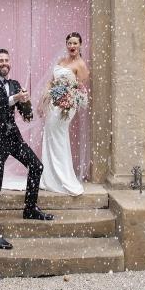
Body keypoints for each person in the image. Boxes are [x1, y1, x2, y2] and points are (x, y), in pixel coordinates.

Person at [0, 48, 54, 250]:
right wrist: (14, 99)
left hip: (13, 137)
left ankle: (30, 209)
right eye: (0, 61)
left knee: (36, 167)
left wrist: (27, 101)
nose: (4, 63)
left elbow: (27, 116)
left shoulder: (15, 85)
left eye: (6, 60)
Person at [39, 32, 89, 196]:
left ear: (80, 45)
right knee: (50, 135)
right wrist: (45, 96)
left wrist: (68, 100)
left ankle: (63, 178)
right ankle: (50, 176)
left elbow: (80, 90)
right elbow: (51, 82)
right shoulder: (61, 61)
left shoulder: (81, 65)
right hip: (54, 105)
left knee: (59, 138)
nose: (72, 46)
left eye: (75, 43)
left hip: (66, 107)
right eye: (69, 43)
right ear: (66, 44)